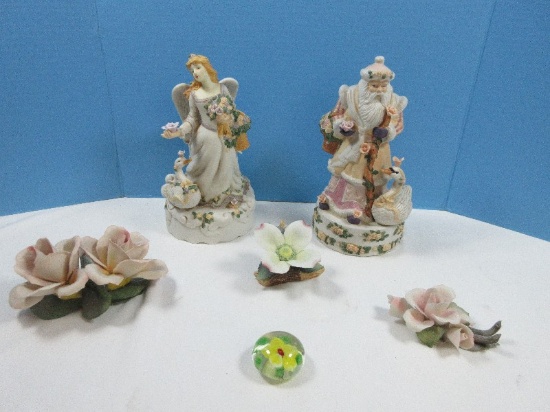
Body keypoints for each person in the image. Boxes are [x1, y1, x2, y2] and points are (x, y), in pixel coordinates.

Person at [319, 56, 408, 223]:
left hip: (379, 149)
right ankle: (342, 205)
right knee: (347, 173)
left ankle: (369, 208)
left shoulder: (394, 101)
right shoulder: (351, 94)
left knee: (374, 177)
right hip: (353, 142)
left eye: (383, 86)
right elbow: (338, 114)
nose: (379, 90)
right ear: (366, 84)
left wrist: (387, 131)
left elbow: (398, 124)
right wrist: (343, 127)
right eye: (374, 86)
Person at [162, 54, 249, 206]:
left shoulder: (223, 89)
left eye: (198, 68)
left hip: (224, 134)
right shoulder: (194, 94)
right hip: (206, 137)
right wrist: (179, 131)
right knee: (205, 170)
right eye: (192, 70)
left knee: (226, 167)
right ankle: (204, 196)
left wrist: (230, 119)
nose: (195, 72)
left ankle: (224, 195)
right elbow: (192, 119)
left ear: (207, 68)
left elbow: (232, 110)